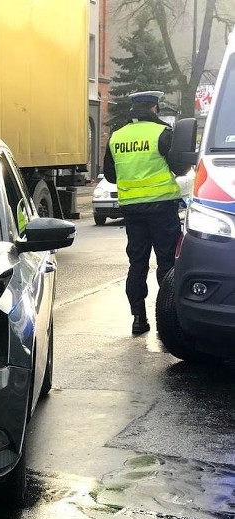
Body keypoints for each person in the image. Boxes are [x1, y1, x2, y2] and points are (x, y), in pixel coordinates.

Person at [103, 90, 187, 336]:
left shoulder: (117, 136)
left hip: (132, 210)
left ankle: (138, 319)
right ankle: (168, 320)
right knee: (167, 263)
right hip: (162, 207)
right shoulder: (162, 133)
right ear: (154, 107)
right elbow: (180, 167)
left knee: (137, 264)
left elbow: (110, 175)